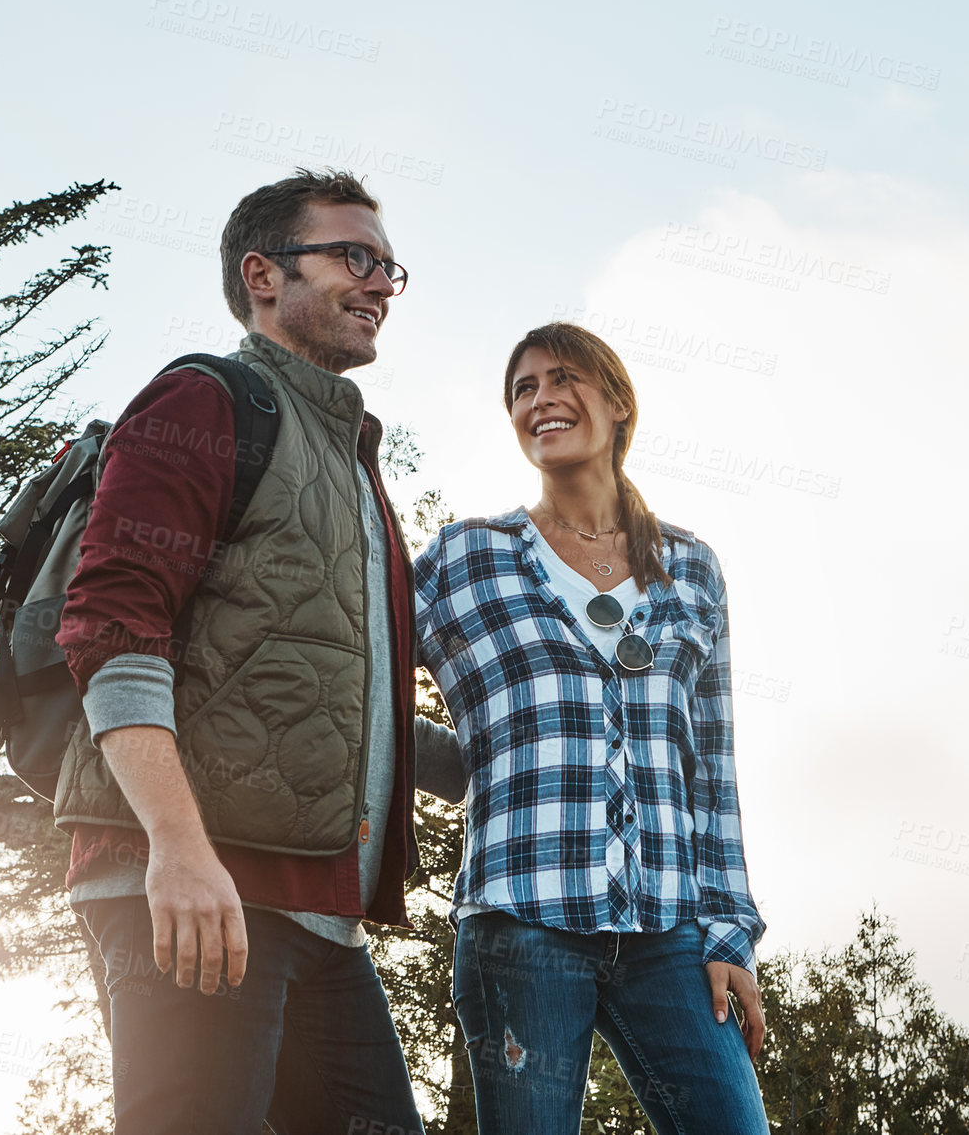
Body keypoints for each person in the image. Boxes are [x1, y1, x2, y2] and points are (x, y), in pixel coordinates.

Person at [54, 168, 459, 1135]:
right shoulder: (208, 401)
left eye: (389, 268)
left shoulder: (350, 459)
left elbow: (343, 710)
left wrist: (529, 758)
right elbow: (113, 630)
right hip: (200, 890)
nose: (378, 284)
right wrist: (179, 852)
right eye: (353, 256)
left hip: (319, 914)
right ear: (263, 275)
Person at [412, 322, 770, 1133]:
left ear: (616, 402)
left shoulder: (690, 566)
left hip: (672, 931)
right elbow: (352, 668)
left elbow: (710, 768)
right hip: (519, 922)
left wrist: (729, 931)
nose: (540, 399)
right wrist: (464, 767)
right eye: (522, 389)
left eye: (561, 377)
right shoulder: (465, 557)